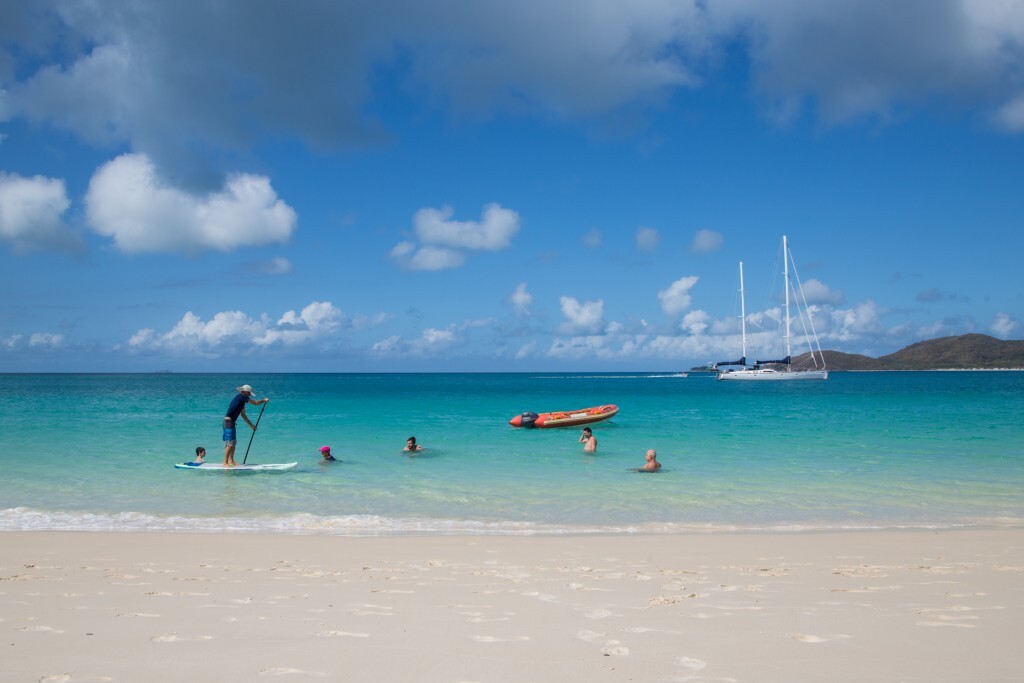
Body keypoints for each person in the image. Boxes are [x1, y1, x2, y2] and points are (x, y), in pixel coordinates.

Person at [223, 384, 269, 466]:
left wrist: (251, 426)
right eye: (249, 393)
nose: (249, 395)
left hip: (231, 423)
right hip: (228, 422)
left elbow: (243, 415)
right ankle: (225, 462)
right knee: (230, 443)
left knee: (233, 442)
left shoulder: (241, 402)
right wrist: (263, 400)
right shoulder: (241, 396)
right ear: (244, 392)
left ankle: (231, 461)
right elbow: (255, 403)